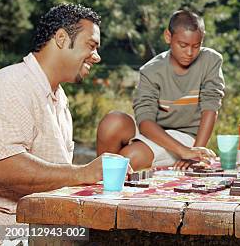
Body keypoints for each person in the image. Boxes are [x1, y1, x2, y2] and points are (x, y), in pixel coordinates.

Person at [0, 4, 106, 232]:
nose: (96, 57)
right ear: (61, 38)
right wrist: (83, 173)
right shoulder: (12, 84)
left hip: (49, 226)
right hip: (10, 231)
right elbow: (4, 167)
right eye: (91, 45)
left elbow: (58, 174)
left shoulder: (58, 96)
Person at [96, 9, 225, 170]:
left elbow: (210, 109)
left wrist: (194, 152)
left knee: (128, 158)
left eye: (196, 46)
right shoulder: (151, 70)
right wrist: (182, 152)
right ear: (168, 37)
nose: (190, 52)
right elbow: (145, 122)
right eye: (183, 45)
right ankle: (100, 180)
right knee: (112, 122)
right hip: (154, 132)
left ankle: (109, 175)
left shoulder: (210, 60)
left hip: (186, 137)